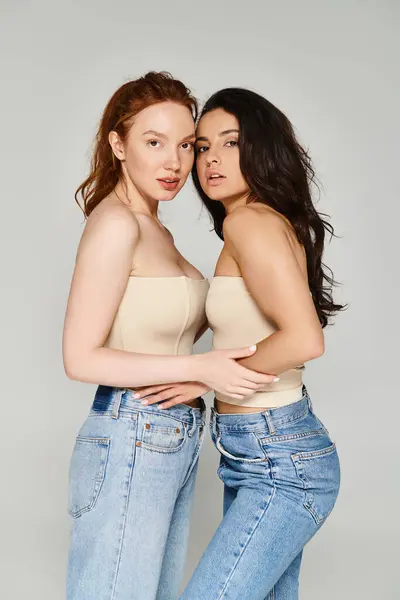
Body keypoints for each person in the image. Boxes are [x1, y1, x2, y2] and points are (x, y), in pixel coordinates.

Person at [62, 74, 278, 600]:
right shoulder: (116, 224)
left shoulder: (157, 229)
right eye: (153, 142)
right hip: (129, 428)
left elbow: (175, 324)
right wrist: (200, 369)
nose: (175, 163)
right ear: (118, 144)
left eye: (186, 145)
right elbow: (79, 357)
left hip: (168, 435)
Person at [136, 87, 344, 599]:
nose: (210, 160)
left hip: (281, 459)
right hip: (258, 451)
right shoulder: (251, 222)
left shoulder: (250, 221)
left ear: (262, 149)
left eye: (230, 143)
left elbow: (303, 339)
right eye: (202, 147)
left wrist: (200, 372)